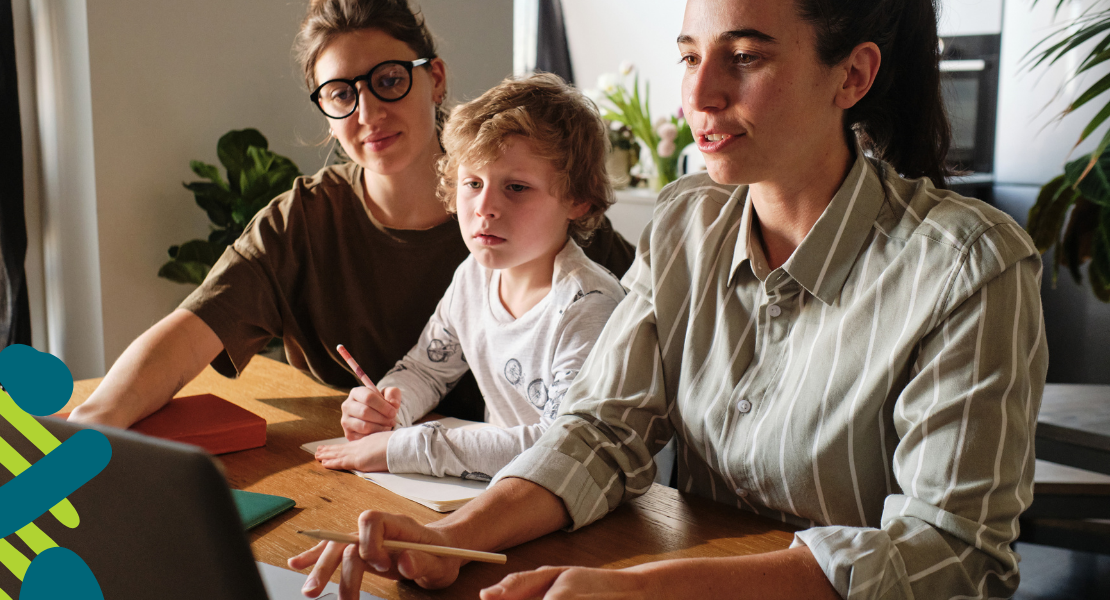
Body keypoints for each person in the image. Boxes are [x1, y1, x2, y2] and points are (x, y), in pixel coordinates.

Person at [288, 0, 1047, 599]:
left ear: (852, 76)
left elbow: (952, 552)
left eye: (745, 57)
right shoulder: (688, 221)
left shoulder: (971, 266)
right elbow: (599, 431)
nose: (700, 94)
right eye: (689, 56)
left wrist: (650, 589)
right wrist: (452, 537)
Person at [66, 0, 634, 430]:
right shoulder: (302, 222)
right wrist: (91, 424)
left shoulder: (535, 206)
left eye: (388, 80)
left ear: (434, 78)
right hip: (357, 474)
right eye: (341, 94)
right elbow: (186, 337)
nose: (368, 112)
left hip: (518, 487)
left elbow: (649, 332)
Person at [314, 74, 626, 479]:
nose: (484, 207)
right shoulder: (473, 277)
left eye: (516, 187)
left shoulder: (590, 306)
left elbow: (561, 446)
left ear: (578, 199)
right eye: (473, 183)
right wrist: (386, 410)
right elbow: (427, 370)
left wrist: (402, 447)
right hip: (504, 490)